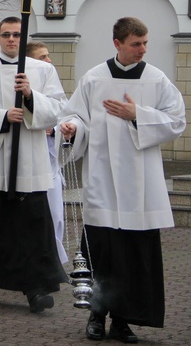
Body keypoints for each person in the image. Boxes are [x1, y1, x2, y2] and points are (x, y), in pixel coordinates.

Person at [59, 17, 185, 343]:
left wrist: (137, 116)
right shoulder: (93, 79)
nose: (143, 50)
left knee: (134, 256)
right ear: (118, 44)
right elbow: (76, 115)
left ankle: (123, 321)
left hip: (140, 183)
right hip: (101, 179)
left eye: (145, 43)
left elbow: (176, 121)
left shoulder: (156, 80)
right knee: (103, 252)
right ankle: (97, 316)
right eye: (136, 44)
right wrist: (73, 128)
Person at [0, 18, 68, 313]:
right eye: (6, 34)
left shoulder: (42, 70)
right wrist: (3, 117)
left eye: (17, 35)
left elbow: (57, 108)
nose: (11, 40)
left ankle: (35, 287)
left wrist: (31, 97)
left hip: (29, 159)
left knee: (31, 227)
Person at [27, 41, 68, 264]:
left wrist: (57, 128)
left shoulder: (52, 87)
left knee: (55, 216)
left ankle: (54, 261)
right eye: (43, 57)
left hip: (50, 163)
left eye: (48, 56)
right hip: (29, 164)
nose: (49, 61)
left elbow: (66, 112)